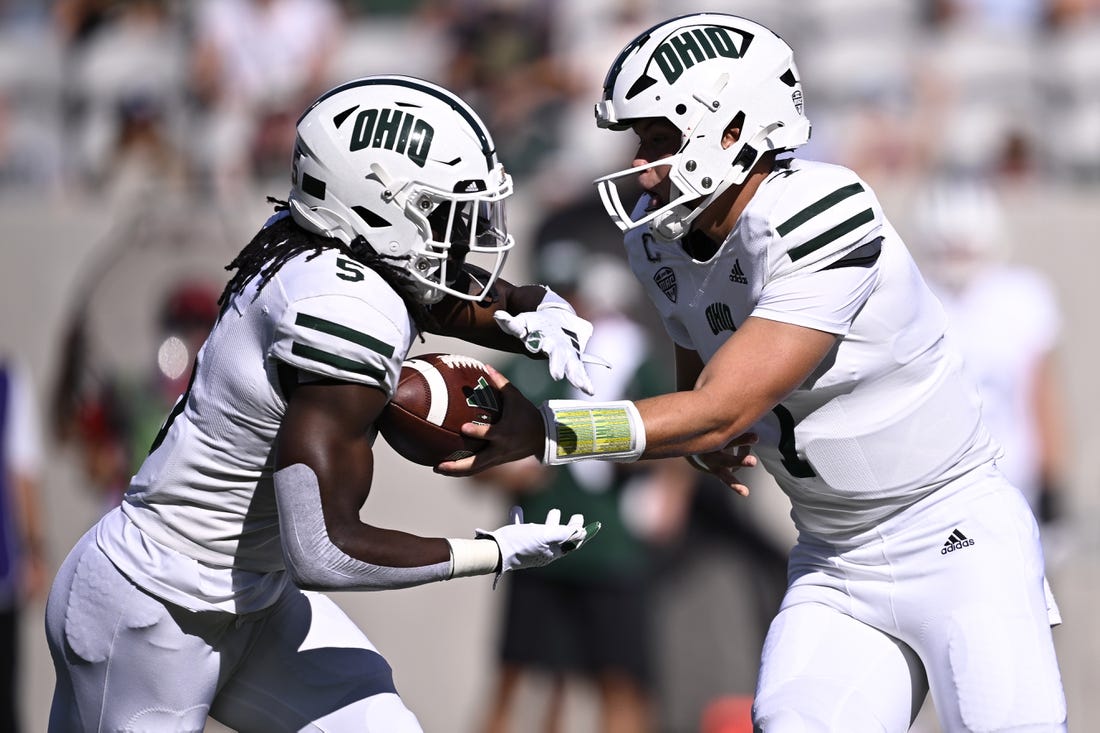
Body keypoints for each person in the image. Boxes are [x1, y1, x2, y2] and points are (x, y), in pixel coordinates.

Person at [438, 13, 1068, 732]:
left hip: (957, 537)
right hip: (836, 558)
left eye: (659, 138)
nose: (641, 167)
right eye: (638, 140)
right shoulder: (664, 239)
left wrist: (548, 429)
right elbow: (699, 400)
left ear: (733, 130)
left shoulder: (819, 209)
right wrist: (704, 435)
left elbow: (720, 405)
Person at [45, 75, 605, 733]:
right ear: (374, 210)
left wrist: (534, 308)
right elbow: (323, 547)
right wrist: (495, 549)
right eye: (445, 214)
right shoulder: (340, 309)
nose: (468, 236)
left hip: (253, 597)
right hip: (155, 605)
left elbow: (431, 288)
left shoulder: (319, 243)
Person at [473, 239, 693, 733]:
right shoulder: (521, 365)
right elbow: (475, 450)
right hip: (535, 542)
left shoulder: (625, 357)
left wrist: (664, 490)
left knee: (619, 681)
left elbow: (674, 431)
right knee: (523, 679)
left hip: (609, 545)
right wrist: (503, 469)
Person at [913, 181, 1069, 535]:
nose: (957, 261)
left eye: (965, 250)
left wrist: (1052, 479)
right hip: (936, 483)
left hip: (1013, 474)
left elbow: (1041, 394)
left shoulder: (1023, 296)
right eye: (948, 250)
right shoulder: (915, 297)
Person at [0, 357, 48, 733]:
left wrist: (32, 551)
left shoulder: (11, 382)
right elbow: (22, 475)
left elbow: (21, 477)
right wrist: (34, 552)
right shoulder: (8, 383)